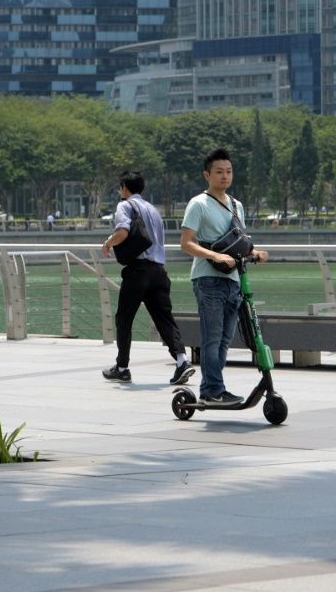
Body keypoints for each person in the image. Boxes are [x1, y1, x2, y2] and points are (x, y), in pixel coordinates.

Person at [180, 148, 268, 405]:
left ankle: (216, 387)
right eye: (219, 172)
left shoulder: (236, 205)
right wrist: (215, 256)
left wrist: (256, 252)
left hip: (234, 280)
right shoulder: (198, 204)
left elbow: (237, 242)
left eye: (228, 172)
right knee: (212, 337)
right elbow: (186, 243)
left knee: (225, 340)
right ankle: (211, 390)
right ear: (207, 175)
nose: (224, 176)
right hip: (208, 279)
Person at [101, 171, 194, 386]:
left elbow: (123, 232)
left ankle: (122, 368)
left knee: (124, 319)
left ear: (124, 187)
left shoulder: (125, 206)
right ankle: (182, 361)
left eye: (119, 187)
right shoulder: (153, 210)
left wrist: (108, 243)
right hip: (159, 272)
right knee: (164, 319)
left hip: (138, 271)